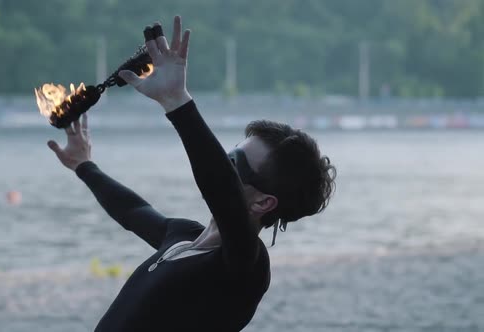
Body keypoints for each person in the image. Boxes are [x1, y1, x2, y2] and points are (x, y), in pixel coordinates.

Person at [47, 16, 336, 332]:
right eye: (226, 155)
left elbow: (221, 189)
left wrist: (177, 102)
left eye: (233, 163)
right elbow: (132, 211)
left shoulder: (244, 265)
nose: (222, 162)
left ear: (264, 202)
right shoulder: (184, 236)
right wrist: (84, 165)